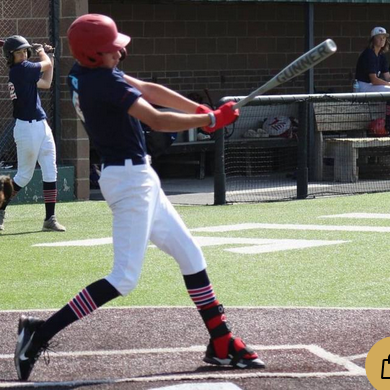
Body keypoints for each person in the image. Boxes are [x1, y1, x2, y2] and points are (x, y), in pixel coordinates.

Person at [14, 14, 265, 381]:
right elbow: (156, 119)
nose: (121, 51)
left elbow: (148, 88)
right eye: (112, 49)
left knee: (190, 255)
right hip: (130, 182)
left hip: (137, 176)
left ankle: (221, 341)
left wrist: (199, 111)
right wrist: (209, 121)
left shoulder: (82, 71)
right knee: (125, 277)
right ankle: (40, 333)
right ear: (93, 55)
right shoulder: (101, 81)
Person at [0, 35, 66, 232]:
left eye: (24, 51)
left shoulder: (25, 71)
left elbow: (46, 82)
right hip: (27, 128)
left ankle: (50, 218)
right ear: (10, 57)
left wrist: (50, 55)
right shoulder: (21, 70)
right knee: (24, 176)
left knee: (50, 170)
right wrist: (43, 53)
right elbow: (44, 65)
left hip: (41, 125)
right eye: (18, 52)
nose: (23, 54)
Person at [355, 27, 390, 92]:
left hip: (373, 86)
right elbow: (374, 80)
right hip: (364, 85)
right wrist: (388, 84)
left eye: (384, 37)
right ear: (373, 39)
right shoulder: (369, 53)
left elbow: (387, 77)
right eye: (379, 37)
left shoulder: (381, 55)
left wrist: (388, 83)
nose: (382, 39)